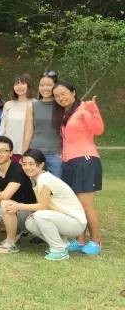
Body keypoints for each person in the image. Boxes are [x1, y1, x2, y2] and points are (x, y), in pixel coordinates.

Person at [5, 149, 87, 261]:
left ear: (41, 165)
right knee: (30, 222)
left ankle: (59, 250)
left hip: (76, 222)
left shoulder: (45, 179)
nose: (27, 167)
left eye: (31, 164)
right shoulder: (37, 179)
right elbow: (43, 205)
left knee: (40, 215)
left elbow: (43, 206)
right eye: (24, 164)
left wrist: (18, 206)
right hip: (64, 219)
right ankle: (62, 243)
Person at [53, 82, 104, 256]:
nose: (60, 98)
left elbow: (98, 129)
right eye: (57, 95)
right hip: (70, 162)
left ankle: (96, 241)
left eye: (63, 93)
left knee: (86, 205)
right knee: (75, 204)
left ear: (73, 92)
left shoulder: (84, 108)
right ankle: (80, 240)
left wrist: (94, 110)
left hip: (85, 160)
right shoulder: (66, 113)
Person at [23, 71, 62, 177]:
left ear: (56, 86)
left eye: (49, 85)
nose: (45, 88)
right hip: (35, 154)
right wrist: (25, 153)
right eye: (42, 85)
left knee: (55, 185)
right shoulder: (32, 106)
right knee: (36, 185)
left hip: (56, 155)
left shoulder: (62, 106)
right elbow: (29, 131)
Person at [0, 73, 34, 162]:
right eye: (17, 83)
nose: (19, 86)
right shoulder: (8, 104)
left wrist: (26, 151)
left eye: (23, 83)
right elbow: (2, 128)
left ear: (29, 85)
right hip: (8, 150)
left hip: (28, 151)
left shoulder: (35, 104)